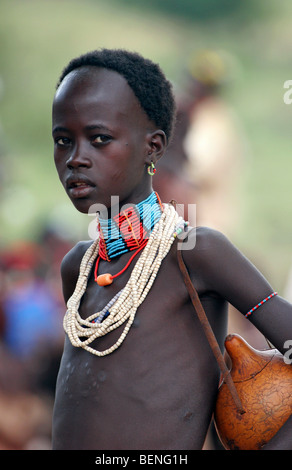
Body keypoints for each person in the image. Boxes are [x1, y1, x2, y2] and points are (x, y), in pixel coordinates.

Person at [51, 48, 292, 450]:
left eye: (99, 139)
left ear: (154, 148)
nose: (76, 159)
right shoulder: (77, 267)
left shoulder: (195, 253)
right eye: (63, 140)